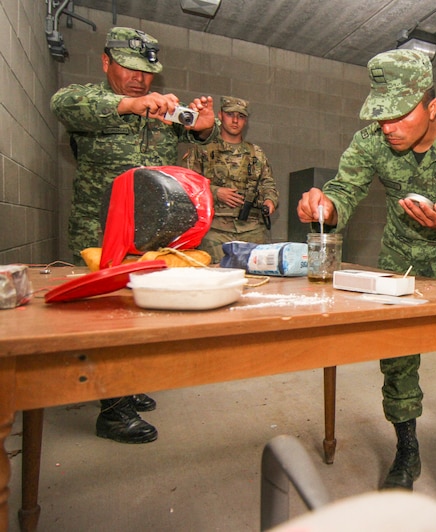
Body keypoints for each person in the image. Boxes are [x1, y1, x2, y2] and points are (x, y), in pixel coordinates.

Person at [296, 49, 436, 491]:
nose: (387, 128)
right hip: (401, 261)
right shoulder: (372, 141)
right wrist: (327, 206)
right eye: (380, 116)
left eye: (397, 115)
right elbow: (344, 188)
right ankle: (407, 447)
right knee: (396, 358)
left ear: (433, 107)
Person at [51, 27, 220, 444]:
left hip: (149, 237)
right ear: (106, 61)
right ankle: (112, 413)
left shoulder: (160, 111)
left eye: (146, 73)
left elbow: (197, 132)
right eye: (130, 68)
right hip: (101, 232)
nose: (139, 79)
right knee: (104, 321)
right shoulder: (92, 103)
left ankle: (122, 389)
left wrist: (202, 127)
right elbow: (64, 105)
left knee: (136, 317)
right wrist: (130, 105)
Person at [184, 96, 279, 263]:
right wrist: (216, 192)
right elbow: (187, 185)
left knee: (257, 277)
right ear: (220, 115)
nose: (235, 120)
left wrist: (270, 201)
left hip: (252, 229)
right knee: (216, 278)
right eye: (230, 115)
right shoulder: (202, 149)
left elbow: (267, 183)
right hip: (214, 229)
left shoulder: (256, 153)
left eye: (241, 116)